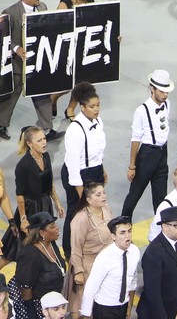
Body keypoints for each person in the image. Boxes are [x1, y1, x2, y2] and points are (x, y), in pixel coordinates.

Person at [0, 0, 59, 141]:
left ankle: (48, 128)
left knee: (41, 92)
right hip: (18, 63)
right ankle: (1, 124)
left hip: (36, 62)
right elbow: (4, 37)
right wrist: (17, 49)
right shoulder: (10, 12)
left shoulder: (42, 7)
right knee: (11, 94)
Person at [120, 69, 173, 222]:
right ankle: (123, 224)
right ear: (152, 89)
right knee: (135, 193)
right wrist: (132, 166)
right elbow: (135, 139)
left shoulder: (167, 105)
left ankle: (161, 230)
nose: (165, 95)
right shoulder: (141, 111)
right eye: (162, 91)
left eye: (167, 92)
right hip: (147, 154)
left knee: (160, 197)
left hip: (163, 153)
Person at [62, 84, 107, 251]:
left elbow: (98, 149)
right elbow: (73, 165)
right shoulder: (75, 130)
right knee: (76, 213)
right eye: (92, 106)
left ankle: (91, 243)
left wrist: (101, 169)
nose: (96, 110)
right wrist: (82, 194)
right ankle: (69, 249)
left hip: (94, 170)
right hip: (79, 175)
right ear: (82, 107)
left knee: (97, 209)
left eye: (98, 105)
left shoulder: (98, 121)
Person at [14, 127, 65, 262]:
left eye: (44, 139)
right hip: (31, 208)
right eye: (39, 140)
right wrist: (23, 218)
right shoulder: (23, 166)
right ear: (29, 144)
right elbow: (20, 194)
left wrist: (57, 202)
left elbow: (49, 182)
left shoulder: (46, 156)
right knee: (23, 246)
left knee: (46, 240)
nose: (44, 143)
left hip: (45, 204)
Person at [137, 205, 177, 319]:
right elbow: (152, 292)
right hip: (162, 312)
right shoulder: (153, 253)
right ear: (164, 226)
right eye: (176, 225)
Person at [66, 182, 114, 314]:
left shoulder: (106, 209)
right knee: (81, 305)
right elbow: (76, 247)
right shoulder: (81, 218)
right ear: (88, 199)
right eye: (98, 194)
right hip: (88, 266)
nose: (103, 196)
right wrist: (78, 272)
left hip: (106, 263)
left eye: (103, 193)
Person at [79, 216, 139, 319]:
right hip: (105, 308)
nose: (127, 236)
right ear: (113, 236)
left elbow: (132, 280)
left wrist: (129, 309)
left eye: (129, 231)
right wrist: (86, 314)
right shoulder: (104, 257)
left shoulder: (134, 251)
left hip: (123, 305)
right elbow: (91, 287)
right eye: (122, 233)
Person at [12, 212, 66, 319]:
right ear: (42, 233)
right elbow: (25, 287)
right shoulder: (30, 254)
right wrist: (32, 314)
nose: (57, 228)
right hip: (39, 307)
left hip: (54, 303)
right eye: (52, 226)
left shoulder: (52, 246)